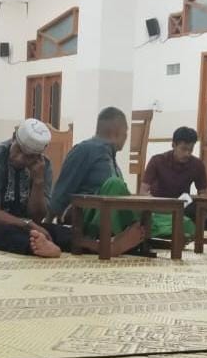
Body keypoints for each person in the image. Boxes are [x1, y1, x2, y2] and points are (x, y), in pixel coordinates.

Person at [0, 119, 95, 258]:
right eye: (19, 150)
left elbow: (37, 217)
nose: (20, 158)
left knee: (65, 234)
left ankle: (98, 246)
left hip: (21, 224)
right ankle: (39, 247)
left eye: (29, 156)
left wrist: (38, 181)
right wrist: (29, 225)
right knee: (10, 236)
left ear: (39, 155)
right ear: (14, 137)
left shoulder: (43, 166)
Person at [49, 107, 153, 255]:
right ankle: (116, 240)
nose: (126, 137)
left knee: (163, 215)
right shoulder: (84, 150)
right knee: (115, 185)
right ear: (116, 132)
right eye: (125, 133)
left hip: (111, 215)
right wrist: (47, 224)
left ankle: (135, 234)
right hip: (87, 220)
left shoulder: (110, 156)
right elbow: (61, 192)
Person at [139, 126, 207, 215]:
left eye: (190, 150)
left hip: (182, 207)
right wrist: (156, 204)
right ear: (173, 145)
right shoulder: (157, 161)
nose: (187, 154)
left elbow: (203, 194)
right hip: (158, 207)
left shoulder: (197, 165)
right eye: (183, 149)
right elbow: (143, 192)